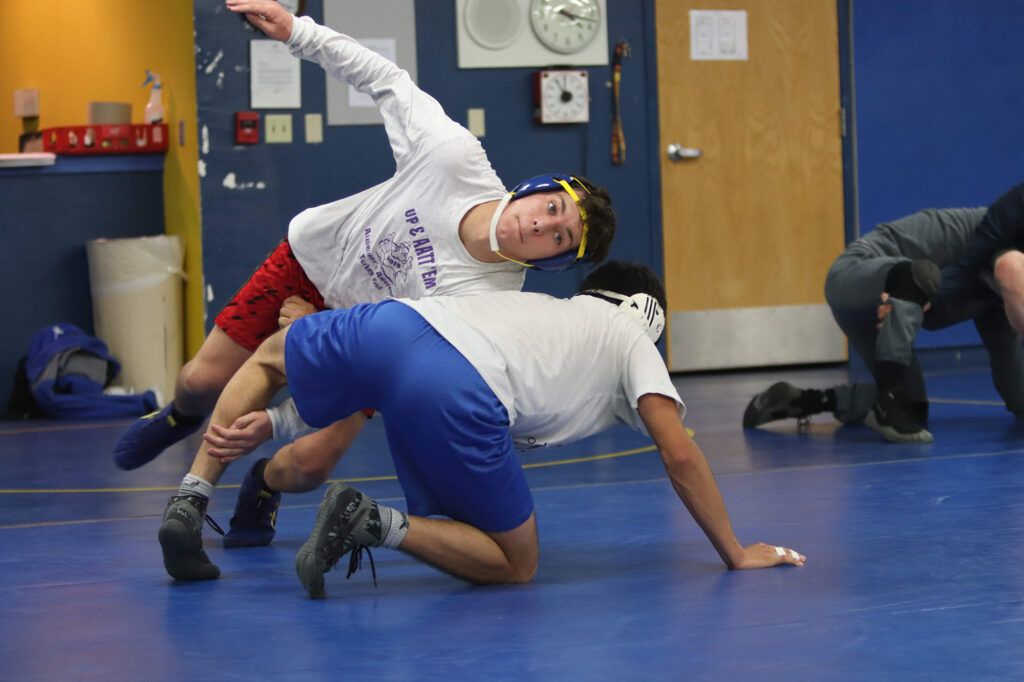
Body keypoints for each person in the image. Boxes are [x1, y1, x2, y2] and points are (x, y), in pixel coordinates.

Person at [112, 0, 616, 484]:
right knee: (201, 382)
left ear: (553, 260)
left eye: (559, 237)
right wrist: (297, 31)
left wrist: (318, 341)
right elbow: (385, 79)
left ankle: (261, 485)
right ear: (536, 189)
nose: (540, 226)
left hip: (365, 339)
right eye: (552, 209)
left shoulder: (496, 299)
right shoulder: (453, 158)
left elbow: (406, 358)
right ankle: (179, 417)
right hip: (312, 262)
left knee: (310, 464)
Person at [155, 261, 806, 592]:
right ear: (649, 316)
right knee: (513, 563)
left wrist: (276, 415)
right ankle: (370, 521)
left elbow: (381, 373)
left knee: (272, 353)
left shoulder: (541, 309)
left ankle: (191, 493)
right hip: (456, 393)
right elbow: (680, 453)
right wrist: (736, 551)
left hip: (396, 325)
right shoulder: (628, 336)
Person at [744, 182, 1024, 443]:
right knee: (917, 277)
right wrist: (917, 299)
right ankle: (887, 400)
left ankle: (803, 400)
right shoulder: (998, 252)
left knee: (912, 409)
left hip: (893, 304)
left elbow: (1010, 367)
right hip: (856, 275)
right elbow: (1005, 270)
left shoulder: (996, 287)